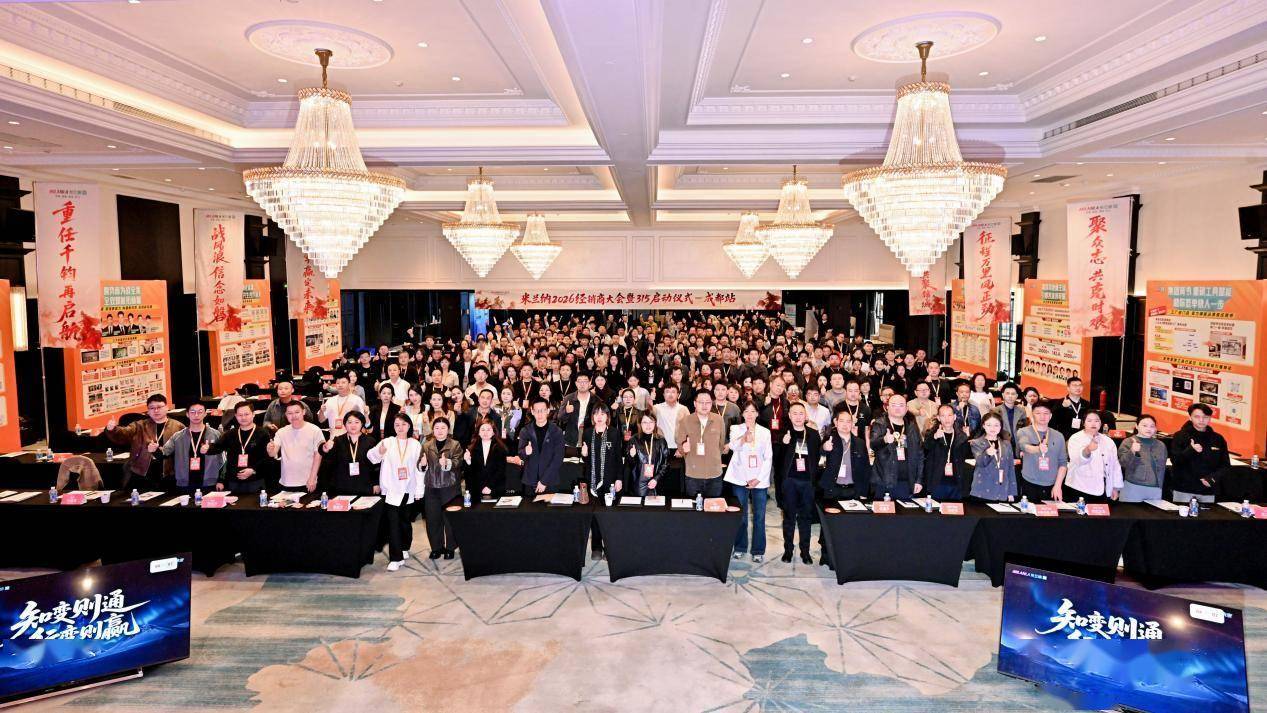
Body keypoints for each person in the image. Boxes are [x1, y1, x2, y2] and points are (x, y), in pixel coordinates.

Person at [367, 414, 423, 571]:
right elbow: (371, 457)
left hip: (408, 488)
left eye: (403, 424)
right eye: (397, 424)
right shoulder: (387, 442)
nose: (400, 427)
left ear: (409, 426)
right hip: (391, 489)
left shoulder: (415, 444)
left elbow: (419, 468)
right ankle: (395, 558)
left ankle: (404, 546)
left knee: (405, 522)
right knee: (393, 523)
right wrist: (379, 452)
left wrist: (419, 489)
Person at [105, 393, 185, 491]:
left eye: (159, 407)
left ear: (167, 407)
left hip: (169, 472)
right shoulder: (139, 426)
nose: (156, 410)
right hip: (143, 471)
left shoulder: (178, 426)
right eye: (152, 408)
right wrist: (113, 429)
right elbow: (124, 433)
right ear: (148, 411)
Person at [724, 401, 772, 563]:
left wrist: (758, 478)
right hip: (739, 477)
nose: (750, 414)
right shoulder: (735, 429)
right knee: (741, 516)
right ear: (742, 414)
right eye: (746, 411)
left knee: (759, 516)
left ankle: (758, 550)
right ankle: (740, 547)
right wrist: (744, 438)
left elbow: (768, 457)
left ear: (757, 414)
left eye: (753, 411)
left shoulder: (765, 432)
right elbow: (733, 447)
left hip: (759, 479)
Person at [774, 402, 820, 564]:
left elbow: (817, 457)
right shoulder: (783, 434)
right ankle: (788, 550)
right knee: (789, 517)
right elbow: (776, 461)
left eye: (801, 413)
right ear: (789, 415)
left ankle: (805, 552)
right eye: (795, 413)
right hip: (790, 482)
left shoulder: (813, 434)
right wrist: (783, 444)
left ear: (806, 415)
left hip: (807, 482)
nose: (798, 417)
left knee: (806, 518)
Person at [581, 406, 624, 559]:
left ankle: (609, 547)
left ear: (607, 416)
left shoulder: (614, 432)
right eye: (596, 413)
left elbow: (618, 458)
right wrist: (584, 454)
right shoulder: (587, 433)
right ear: (592, 416)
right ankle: (596, 548)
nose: (599, 416)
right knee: (594, 514)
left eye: (603, 413)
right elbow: (586, 460)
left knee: (609, 515)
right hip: (593, 481)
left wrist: (619, 478)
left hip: (610, 481)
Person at [153, 402, 223, 494]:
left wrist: (221, 481)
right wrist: (154, 450)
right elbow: (164, 454)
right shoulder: (178, 436)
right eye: (193, 412)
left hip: (209, 483)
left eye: (200, 412)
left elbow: (223, 460)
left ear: (205, 414)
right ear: (187, 414)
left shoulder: (215, 434)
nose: (196, 415)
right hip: (185, 483)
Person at [420, 416, 464, 559]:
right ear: (433, 430)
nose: (440, 431)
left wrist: (447, 463)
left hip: (450, 487)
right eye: (437, 428)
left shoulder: (455, 444)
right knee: (432, 519)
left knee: (449, 519)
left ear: (448, 429)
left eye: (443, 428)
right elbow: (421, 464)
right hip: (431, 487)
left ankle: (450, 548)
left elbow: (458, 461)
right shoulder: (426, 445)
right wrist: (422, 465)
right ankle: (436, 547)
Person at [1057, 411, 1123, 504]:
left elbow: (1115, 465)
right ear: (1083, 423)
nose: (1093, 423)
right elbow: (1077, 460)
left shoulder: (1108, 441)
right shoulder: (1076, 438)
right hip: (1078, 487)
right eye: (1089, 421)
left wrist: (1115, 487)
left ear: (1101, 423)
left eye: (1096, 421)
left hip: (1101, 489)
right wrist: (1087, 450)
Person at [211, 401, 275, 494]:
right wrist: (207, 448)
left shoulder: (263, 433)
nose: (243, 417)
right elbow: (217, 449)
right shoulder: (230, 434)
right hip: (234, 482)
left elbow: (267, 458)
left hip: (256, 480)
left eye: (246, 414)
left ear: (253, 414)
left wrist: (253, 470)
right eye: (240, 415)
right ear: (236, 416)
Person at [1169, 403, 1228, 504]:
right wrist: (1190, 450)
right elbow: (1175, 461)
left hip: (1208, 490)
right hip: (1183, 489)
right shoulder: (1180, 436)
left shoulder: (1218, 439)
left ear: (1210, 418)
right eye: (1197, 417)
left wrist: (1213, 478)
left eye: (1205, 417)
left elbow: (1225, 465)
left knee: (1208, 514)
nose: (1201, 420)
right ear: (1190, 417)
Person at [868, 395, 924, 500]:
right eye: (894, 405)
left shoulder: (912, 426)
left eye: (901, 405)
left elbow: (920, 454)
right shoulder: (879, 424)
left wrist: (918, 480)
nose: (897, 408)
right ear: (887, 407)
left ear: (906, 408)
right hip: (884, 481)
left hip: (907, 481)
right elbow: (872, 444)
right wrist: (884, 440)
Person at [675, 390, 727, 498]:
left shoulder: (718, 420)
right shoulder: (686, 421)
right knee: (694, 507)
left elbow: (721, 444)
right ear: (695, 403)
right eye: (701, 402)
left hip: (714, 474)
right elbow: (680, 445)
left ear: (712, 403)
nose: (704, 405)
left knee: (713, 506)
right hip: (693, 474)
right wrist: (684, 449)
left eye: (707, 402)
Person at [1014, 401, 1067, 503]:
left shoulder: (1059, 436)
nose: (1042, 416)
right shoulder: (1024, 431)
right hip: (1029, 483)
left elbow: (1063, 463)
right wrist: (1038, 449)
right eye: (1038, 413)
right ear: (1032, 415)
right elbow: (1024, 446)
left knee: (1050, 513)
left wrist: (1058, 485)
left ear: (1050, 416)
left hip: (1052, 485)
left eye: (1046, 413)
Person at [266, 401, 325, 492]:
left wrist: (312, 478)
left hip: (308, 481)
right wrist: (270, 449)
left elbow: (318, 455)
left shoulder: (315, 430)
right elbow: (273, 453)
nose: (294, 416)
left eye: (297, 412)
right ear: (286, 415)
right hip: (286, 482)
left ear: (303, 412)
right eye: (290, 413)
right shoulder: (281, 432)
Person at [319, 411, 379, 496]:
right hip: (342, 486)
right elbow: (326, 458)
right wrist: (325, 448)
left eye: (357, 422)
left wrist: (376, 483)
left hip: (364, 485)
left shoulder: (370, 441)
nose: (353, 425)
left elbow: (375, 465)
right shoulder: (338, 441)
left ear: (362, 424)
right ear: (345, 424)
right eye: (349, 422)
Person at [821, 408, 872, 502]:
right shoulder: (829, 439)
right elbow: (817, 457)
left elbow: (866, 469)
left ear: (852, 424)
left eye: (848, 421)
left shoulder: (860, 443)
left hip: (854, 490)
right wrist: (824, 448)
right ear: (836, 422)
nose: (845, 424)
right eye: (841, 421)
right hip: (832, 490)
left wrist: (864, 493)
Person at [921, 404, 971, 501]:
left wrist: (967, 438)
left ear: (954, 417)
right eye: (943, 416)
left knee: (955, 509)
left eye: (949, 415)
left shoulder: (961, 435)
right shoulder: (931, 434)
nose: (947, 419)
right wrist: (934, 437)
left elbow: (966, 455)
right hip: (937, 481)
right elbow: (924, 450)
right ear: (938, 418)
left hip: (956, 481)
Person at [518, 398, 564, 494]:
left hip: (550, 481)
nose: (540, 414)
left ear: (548, 411)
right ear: (532, 411)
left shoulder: (557, 431)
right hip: (530, 480)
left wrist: (544, 481)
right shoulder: (525, 431)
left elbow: (558, 458)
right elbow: (521, 454)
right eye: (537, 411)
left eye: (543, 410)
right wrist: (525, 451)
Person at [969, 413, 1018, 502]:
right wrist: (987, 453)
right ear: (983, 426)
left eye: (996, 425)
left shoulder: (1006, 444)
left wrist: (1011, 492)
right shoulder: (976, 443)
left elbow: (1011, 469)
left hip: (1002, 491)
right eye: (989, 425)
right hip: (982, 490)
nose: (992, 428)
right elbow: (980, 463)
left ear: (1000, 427)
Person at [1117, 414, 1167, 503]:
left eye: (1152, 426)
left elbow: (1162, 469)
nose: (1148, 429)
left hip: (1155, 489)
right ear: (1136, 426)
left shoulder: (1161, 445)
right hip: (1133, 487)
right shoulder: (1128, 442)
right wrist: (1132, 451)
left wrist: (1160, 487)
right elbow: (1123, 464)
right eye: (1144, 425)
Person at [464, 419, 507, 499]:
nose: (485, 432)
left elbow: (501, 470)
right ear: (478, 432)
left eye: (488, 430)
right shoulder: (471, 448)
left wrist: (490, 486)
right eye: (482, 430)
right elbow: (468, 474)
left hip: (495, 488)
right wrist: (468, 461)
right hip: (476, 489)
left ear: (493, 432)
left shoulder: (500, 448)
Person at [628, 412, 669, 495]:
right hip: (638, 484)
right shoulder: (634, 440)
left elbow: (666, 464)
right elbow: (629, 465)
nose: (648, 425)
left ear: (655, 423)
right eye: (645, 422)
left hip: (657, 482)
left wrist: (656, 479)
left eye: (651, 422)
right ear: (640, 424)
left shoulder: (661, 440)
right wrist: (632, 456)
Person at [319, 372, 367, 437]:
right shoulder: (330, 400)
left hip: (351, 437)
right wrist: (321, 411)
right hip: (333, 437)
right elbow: (321, 420)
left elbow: (363, 421)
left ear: (349, 384)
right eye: (338, 383)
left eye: (343, 382)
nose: (340, 385)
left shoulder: (357, 400)